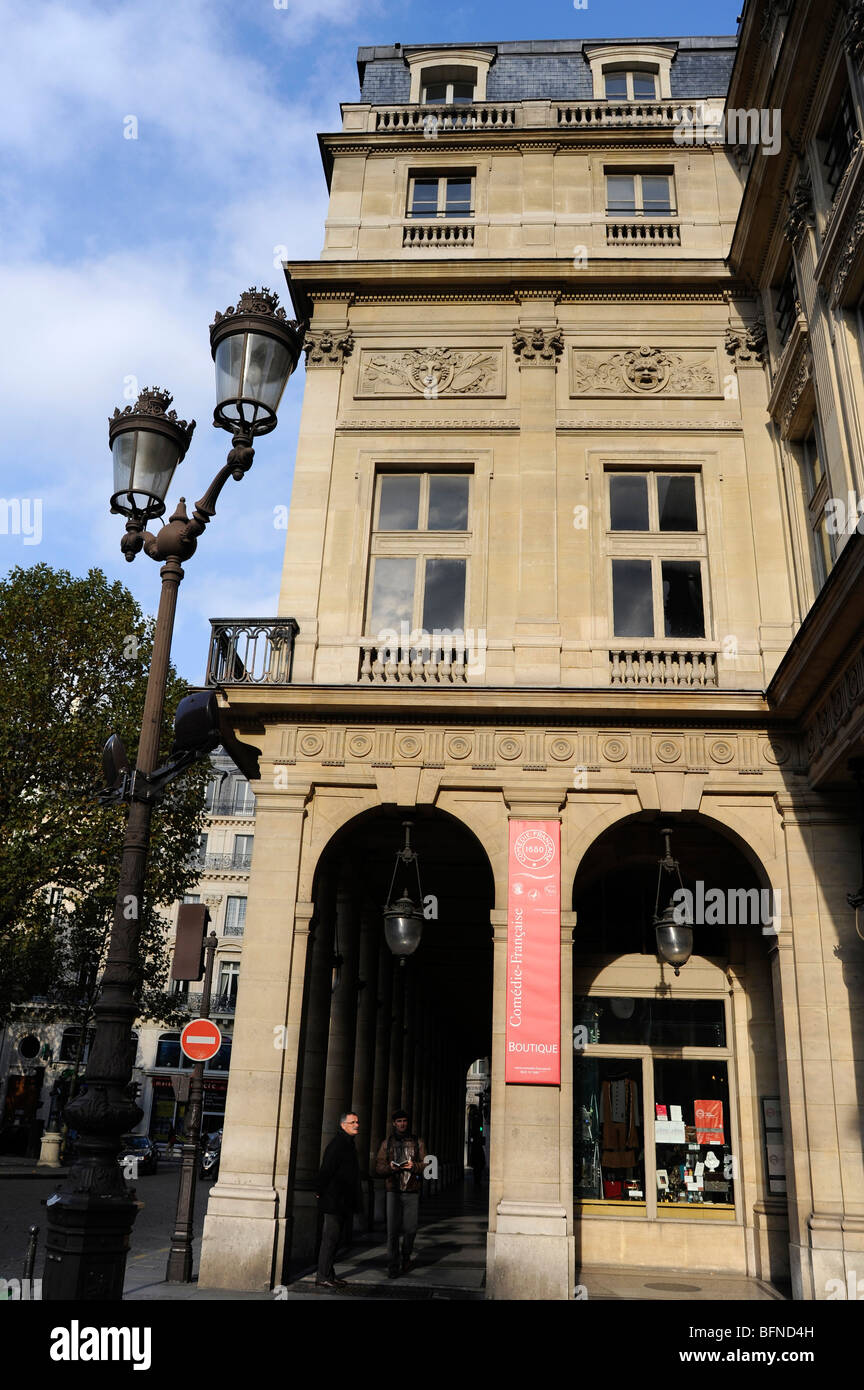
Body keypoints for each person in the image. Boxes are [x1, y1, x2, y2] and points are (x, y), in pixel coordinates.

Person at [375, 1109, 427, 1278]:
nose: (402, 1124)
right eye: (399, 1121)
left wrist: (415, 1167)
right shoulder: (386, 1143)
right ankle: (393, 1264)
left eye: (404, 1121)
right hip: (393, 1190)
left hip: (412, 1190)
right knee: (392, 1230)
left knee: (411, 1229)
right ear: (394, 1123)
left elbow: (427, 1164)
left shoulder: (418, 1142)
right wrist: (390, 1168)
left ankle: (406, 1256)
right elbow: (378, 1168)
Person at [315, 1111, 363, 1289]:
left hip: (342, 1201)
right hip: (334, 1201)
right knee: (330, 1240)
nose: (356, 1125)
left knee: (335, 1240)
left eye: (357, 1122)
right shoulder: (338, 1144)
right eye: (352, 1122)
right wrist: (319, 1191)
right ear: (343, 1125)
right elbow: (325, 1170)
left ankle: (329, 1274)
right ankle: (322, 1276)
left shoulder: (347, 1143)